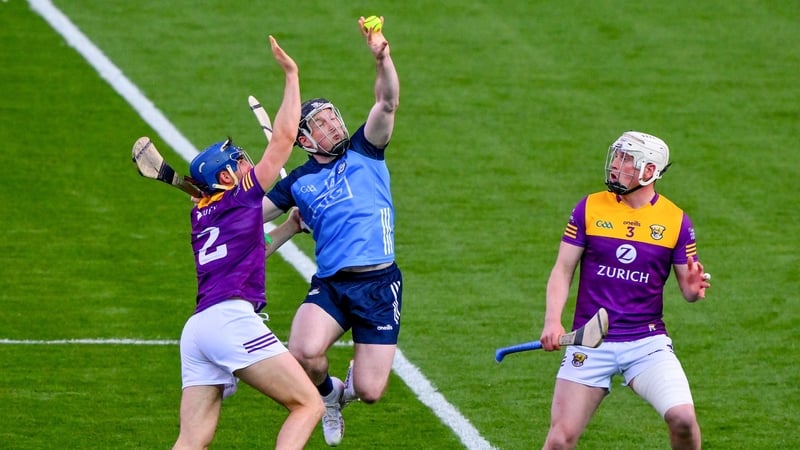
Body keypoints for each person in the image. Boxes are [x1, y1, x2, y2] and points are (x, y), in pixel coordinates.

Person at [172, 36, 323, 450]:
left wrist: (289, 228)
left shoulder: (201, 213)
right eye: (237, 160)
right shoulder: (240, 197)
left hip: (198, 329)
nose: (245, 161)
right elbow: (285, 136)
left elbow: (250, 249)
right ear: (224, 178)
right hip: (230, 322)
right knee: (308, 404)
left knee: (192, 440)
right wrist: (292, 76)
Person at [260, 16, 401, 447]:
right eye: (319, 125)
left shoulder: (366, 148)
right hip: (334, 284)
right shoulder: (296, 183)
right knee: (302, 353)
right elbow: (243, 229)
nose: (332, 126)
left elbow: (388, 102)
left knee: (372, 392)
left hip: (379, 284)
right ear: (303, 140)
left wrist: (383, 59)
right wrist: (286, 226)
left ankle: (345, 393)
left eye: (331, 118)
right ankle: (327, 395)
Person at [539, 131, 711, 450]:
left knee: (684, 420)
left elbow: (689, 291)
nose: (616, 165)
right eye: (617, 156)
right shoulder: (590, 208)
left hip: (646, 344)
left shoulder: (675, 221)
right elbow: (562, 270)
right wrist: (552, 321)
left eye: (626, 159)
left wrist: (692, 287)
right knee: (560, 440)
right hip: (590, 341)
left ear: (649, 171)